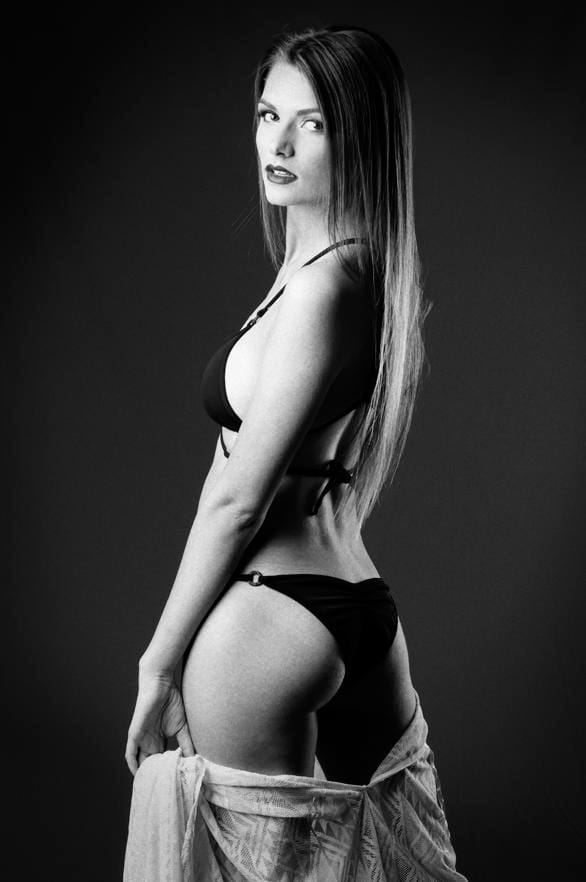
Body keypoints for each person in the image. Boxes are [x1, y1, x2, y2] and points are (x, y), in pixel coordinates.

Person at [124, 25, 467, 881]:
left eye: (311, 123)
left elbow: (236, 499)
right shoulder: (357, 269)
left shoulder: (321, 289)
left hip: (268, 622)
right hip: (360, 610)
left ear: (361, 137)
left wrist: (159, 663)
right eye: (268, 115)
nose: (277, 144)